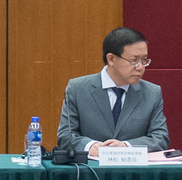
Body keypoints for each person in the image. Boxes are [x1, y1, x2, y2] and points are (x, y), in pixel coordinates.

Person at [57, 27, 169, 159]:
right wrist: (90, 146)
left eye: (144, 60)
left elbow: (160, 138)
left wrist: (126, 146)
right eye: (134, 60)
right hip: (91, 168)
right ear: (111, 59)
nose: (140, 67)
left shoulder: (152, 93)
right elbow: (66, 136)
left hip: (133, 169)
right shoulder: (77, 89)